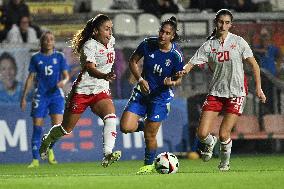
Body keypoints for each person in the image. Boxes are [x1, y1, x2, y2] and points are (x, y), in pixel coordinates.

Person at [181, 9, 266, 171]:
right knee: (202, 134)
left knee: (224, 134)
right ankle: (210, 143)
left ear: (231, 25)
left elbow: (254, 65)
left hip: (237, 93)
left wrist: (259, 88)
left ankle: (224, 163)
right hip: (216, 93)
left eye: (227, 22)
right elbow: (191, 63)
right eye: (220, 22)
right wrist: (182, 72)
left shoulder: (239, 42)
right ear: (216, 23)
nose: (223, 25)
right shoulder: (209, 45)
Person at [39, 14, 121, 167]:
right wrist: (105, 75)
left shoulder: (111, 41)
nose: (110, 33)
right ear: (96, 31)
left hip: (100, 90)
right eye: (106, 29)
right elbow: (90, 69)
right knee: (65, 129)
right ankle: (47, 139)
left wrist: (104, 77)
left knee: (110, 117)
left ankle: (107, 153)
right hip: (82, 91)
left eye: (111, 29)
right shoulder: (89, 45)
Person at [120, 16, 184, 174]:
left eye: (167, 33)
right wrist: (140, 80)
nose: (163, 35)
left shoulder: (176, 55)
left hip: (160, 98)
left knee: (150, 136)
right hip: (142, 93)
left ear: (173, 36)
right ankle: (145, 127)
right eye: (162, 31)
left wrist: (173, 82)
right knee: (125, 127)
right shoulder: (148, 44)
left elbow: (179, 78)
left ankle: (148, 165)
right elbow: (132, 61)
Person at [20, 31, 70, 168]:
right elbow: (30, 78)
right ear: (41, 42)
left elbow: (66, 76)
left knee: (59, 129)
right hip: (40, 95)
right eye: (46, 39)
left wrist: (63, 82)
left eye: (51, 39)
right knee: (37, 128)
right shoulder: (36, 58)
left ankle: (49, 147)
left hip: (55, 95)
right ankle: (35, 160)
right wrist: (24, 97)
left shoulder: (59, 56)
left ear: (54, 42)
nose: (49, 41)